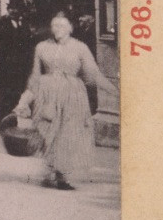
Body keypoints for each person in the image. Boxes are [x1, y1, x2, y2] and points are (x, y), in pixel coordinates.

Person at [13, 11, 110, 190]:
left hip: (72, 95)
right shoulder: (41, 47)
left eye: (62, 26)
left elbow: (93, 74)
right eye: (54, 25)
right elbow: (34, 76)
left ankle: (62, 175)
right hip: (46, 93)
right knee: (47, 130)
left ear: (71, 28)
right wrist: (24, 100)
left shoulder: (80, 47)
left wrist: (114, 91)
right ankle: (50, 169)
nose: (57, 29)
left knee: (68, 133)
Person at [0, 7, 37, 124]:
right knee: (4, 97)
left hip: (19, 70)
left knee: (15, 98)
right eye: (11, 8)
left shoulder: (24, 25)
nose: (14, 11)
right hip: (4, 69)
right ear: (8, 9)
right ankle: (3, 124)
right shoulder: (0, 23)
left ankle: (12, 123)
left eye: (16, 9)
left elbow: (28, 45)